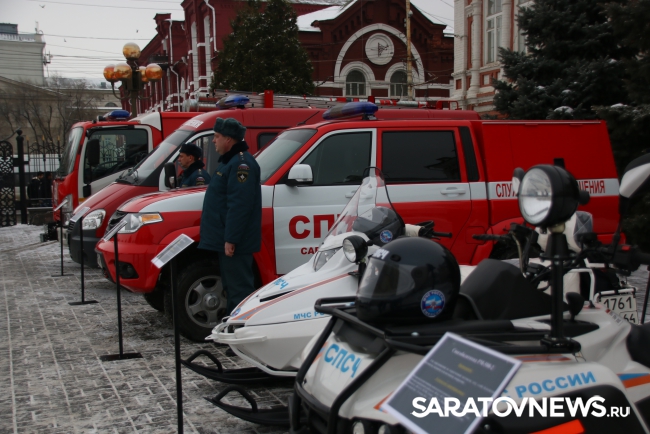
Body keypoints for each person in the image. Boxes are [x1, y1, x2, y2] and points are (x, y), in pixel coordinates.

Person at [199, 117, 261, 313]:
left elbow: (239, 205)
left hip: (236, 242)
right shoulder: (230, 161)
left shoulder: (241, 164)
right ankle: (233, 325)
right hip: (226, 238)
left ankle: (241, 326)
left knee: (239, 290)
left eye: (216, 136)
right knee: (231, 287)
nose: (213, 141)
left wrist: (231, 239)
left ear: (228, 139)